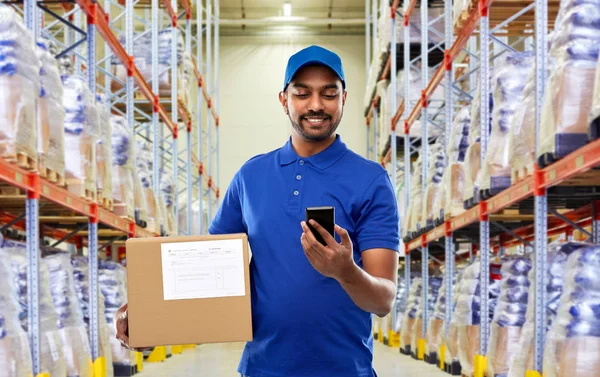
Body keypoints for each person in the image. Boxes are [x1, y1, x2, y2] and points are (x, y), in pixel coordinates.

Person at [115, 45, 400, 377]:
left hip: (345, 370)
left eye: (329, 94)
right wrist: (150, 316)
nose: (316, 105)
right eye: (302, 93)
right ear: (284, 99)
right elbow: (208, 271)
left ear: (344, 98)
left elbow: (383, 301)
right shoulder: (251, 177)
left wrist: (344, 270)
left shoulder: (371, 180)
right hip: (262, 369)